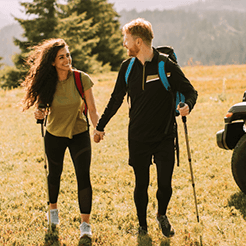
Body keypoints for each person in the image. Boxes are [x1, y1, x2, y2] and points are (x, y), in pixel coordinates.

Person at [94, 18, 198, 237]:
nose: (125, 44)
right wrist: (100, 126)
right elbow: (116, 99)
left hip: (164, 136)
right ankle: (142, 224)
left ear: (138, 42)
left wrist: (187, 105)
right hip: (138, 137)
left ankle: (162, 214)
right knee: (141, 184)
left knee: (164, 184)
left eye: (127, 39)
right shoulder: (127, 67)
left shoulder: (166, 65)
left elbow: (190, 91)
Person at [22, 38, 99, 243]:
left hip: (79, 133)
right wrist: (38, 114)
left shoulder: (81, 79)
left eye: (68, 55)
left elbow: (92, 109)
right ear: (53, 62)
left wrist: (98, 127)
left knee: (83, 176)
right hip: (54, 134)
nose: (67, 60)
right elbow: (41, 109)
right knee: (54, 174)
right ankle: (53, 211)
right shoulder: (47, 83)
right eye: (61, 57)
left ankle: (85, 225)